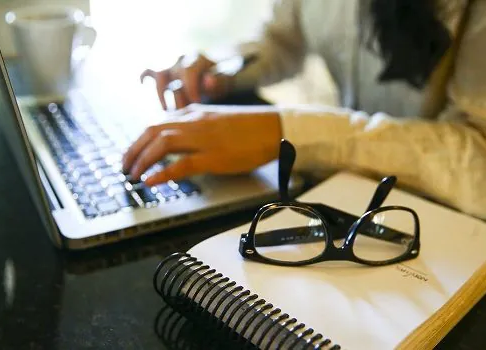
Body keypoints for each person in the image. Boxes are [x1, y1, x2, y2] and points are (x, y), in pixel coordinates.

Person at [122, 0, 486, 219]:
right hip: (354, 194)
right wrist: (218, 69)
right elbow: (283, 38)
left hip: (447, 223)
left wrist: (291, 132)